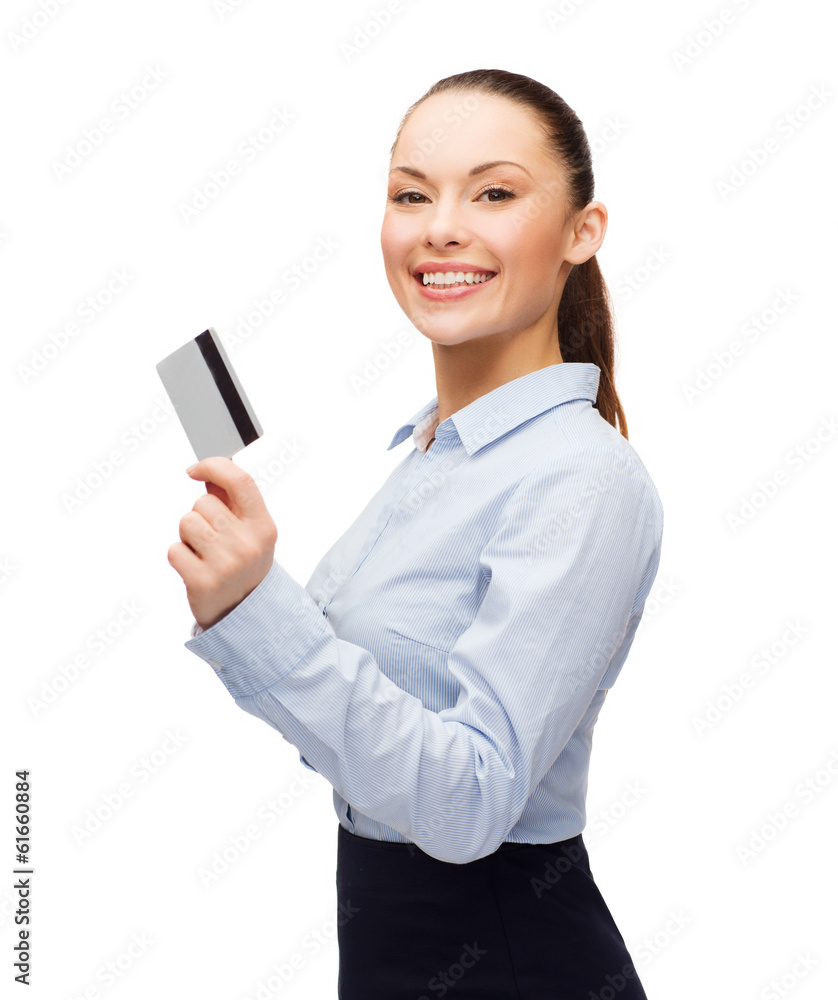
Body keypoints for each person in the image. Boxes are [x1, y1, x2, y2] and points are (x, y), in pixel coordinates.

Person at [167, 68, 664, 999]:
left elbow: (469, 804)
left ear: (581, 232)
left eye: (495, 193)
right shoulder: (435, 453)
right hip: (394, 951)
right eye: (411, 195)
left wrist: (258, 611)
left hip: (508, 960)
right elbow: (364, 743)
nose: (441, 227)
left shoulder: (580, 477)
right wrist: (247, 605)